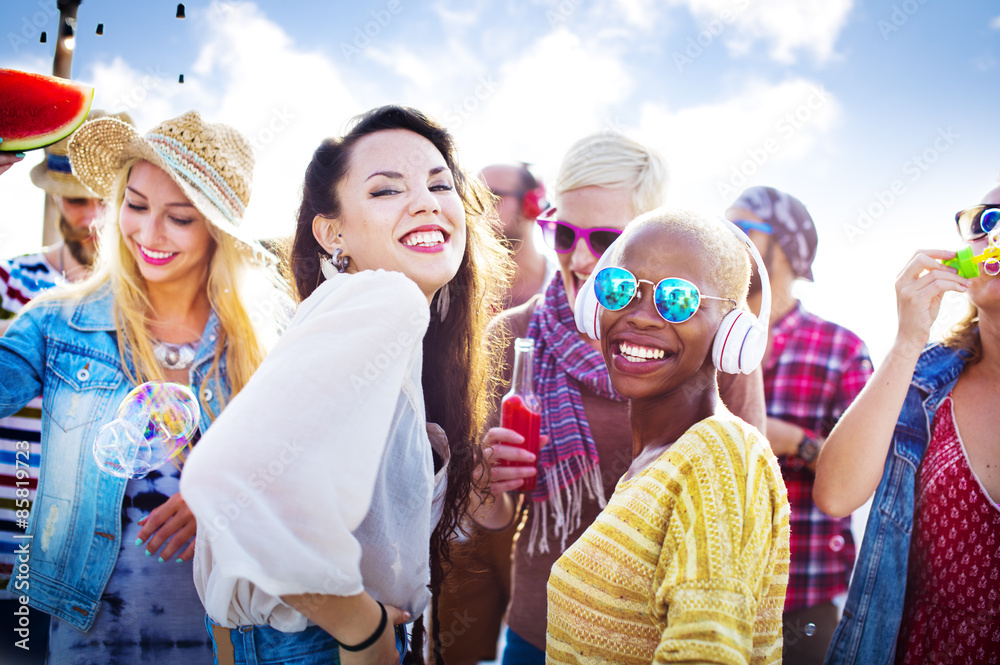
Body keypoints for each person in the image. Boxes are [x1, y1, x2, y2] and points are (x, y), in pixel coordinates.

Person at [180, 105, 511, 665]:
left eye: (440, 184)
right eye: (386, 191)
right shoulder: (387, 299)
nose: (427, 201)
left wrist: (471, 485)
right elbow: (228, 481)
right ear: (333, 232)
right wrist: (363, 630)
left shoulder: (358, 317)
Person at [460, 132, 768, 664]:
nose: (580, 258)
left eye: (605, 240)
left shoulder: (713, 345)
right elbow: (490, 517)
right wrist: (484, 485)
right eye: (563, 233)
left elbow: (739, 514)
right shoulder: (512, 336)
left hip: (663, 637)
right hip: (541, 633)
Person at [0, 110, 289, 665]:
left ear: (216, 231)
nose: (148, 234)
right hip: (86, 635)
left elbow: (314, 475)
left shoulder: (266, 342)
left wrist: (227, 499)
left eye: (179, 217)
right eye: (135, 206)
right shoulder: (58, 323)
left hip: (233, 638)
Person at [545, 209, 790, 663]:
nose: (639, 317)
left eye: (677, 299)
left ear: (731, 331)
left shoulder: (722, 458)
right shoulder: (666, 460)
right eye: (619, 288)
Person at [816, 181, 1000, 664]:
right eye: (986, 220)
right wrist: (908, 339)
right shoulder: (921, 381)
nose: (995, 235)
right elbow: (835, 494)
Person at [0, 110, 133, 665]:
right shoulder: (9, 280)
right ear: (54, 200)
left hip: (98, 565)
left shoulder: (148, 308)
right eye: (77, 200)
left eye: (106, 198)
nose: (94, 217)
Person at [723, 186, 873, 662]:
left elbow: (867, 476)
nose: (727, 241)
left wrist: (798, 443)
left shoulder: (841, 349)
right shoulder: (700, 337)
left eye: (742, 228)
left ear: (785, 247)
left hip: (801, 595)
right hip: (699, 587)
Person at [481, 162, 554, 308]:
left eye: (491, 197)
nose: (478, 211)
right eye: (473, 200)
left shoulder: (568, 291)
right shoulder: (459, 291)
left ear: (530, 205)